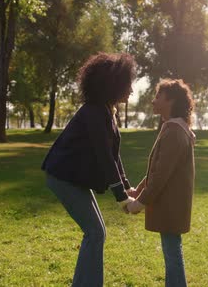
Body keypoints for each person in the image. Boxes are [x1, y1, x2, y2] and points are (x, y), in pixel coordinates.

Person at [42, 52, 137, 287]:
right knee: (95, 233)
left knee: (97, 233)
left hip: (74, 179)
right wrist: (122, 198)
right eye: (128, 85)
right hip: (63, 179)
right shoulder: (94, 112)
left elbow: (114, 155)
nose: (132, 91)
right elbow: (104, 158)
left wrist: (126, 187)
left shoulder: (105, 110)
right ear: (113, 85)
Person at [127, 79, 196, 287]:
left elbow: (160, 176)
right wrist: (137, 191)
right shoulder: (173, 128)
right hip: (171, 204)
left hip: (171, 205)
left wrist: (139, 203)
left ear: (171, 100)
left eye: (158, 96)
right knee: (172, 252)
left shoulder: (174, 131)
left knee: (173, 254)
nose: (153, 100)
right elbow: (157, 169)